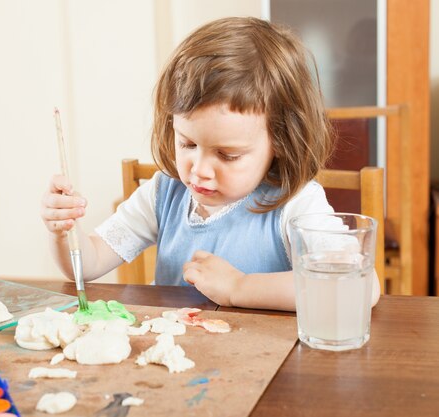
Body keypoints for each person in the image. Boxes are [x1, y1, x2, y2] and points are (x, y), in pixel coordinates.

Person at [40, 16, 381, 311]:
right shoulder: (165, 193)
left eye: (227, 155)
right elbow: (88, 264)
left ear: (279, 140)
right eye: (187, 143)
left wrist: (240, 288)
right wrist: (64, 233)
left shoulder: (295, 203)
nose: (199, 169)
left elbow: (360, 285)